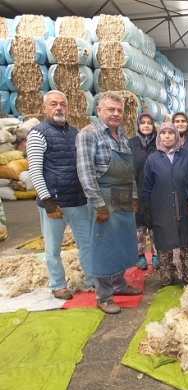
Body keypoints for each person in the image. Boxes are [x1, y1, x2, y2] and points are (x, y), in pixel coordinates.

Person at [76, 91, 142, 314]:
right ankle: (103, 296)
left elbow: (129, 170)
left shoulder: (122, 135)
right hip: (103, 196)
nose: (116, 114)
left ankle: (119, 285)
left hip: (123, 195)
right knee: (103, 246)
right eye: (111, 109)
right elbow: (85, 172)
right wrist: (98, 203)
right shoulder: (89, 134)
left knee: (123, 243)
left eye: (119, 110)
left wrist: (133, 196)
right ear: (99, 111)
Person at [27, 90, 93, 299]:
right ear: (44, 108)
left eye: (62, 104)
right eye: (53, 104)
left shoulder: (75, 133)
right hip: (54, 203)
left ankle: (93, 279)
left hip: (77, 201)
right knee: (53, 248)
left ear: (68, 108)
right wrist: (47, 201)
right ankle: (58, 284)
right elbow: (35, 170)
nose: (59, 108)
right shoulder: (38, 133)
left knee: (87, 244)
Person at [142, 122, 188, 286]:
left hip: (185, 205)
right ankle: (167, 277)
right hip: (162, 207)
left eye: (170, 133)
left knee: (187, 241)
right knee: (164, 242)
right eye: (163, 133)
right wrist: (146, 209)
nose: (167, 136)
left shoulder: (187, 155)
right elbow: (147, 186)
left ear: (177, 136)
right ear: (159, 137)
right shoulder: (152, 159)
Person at [128, 112, 158, 271]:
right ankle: (139, 256)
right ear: (138, 125)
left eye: (149, 123)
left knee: (155, 225)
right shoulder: (131, 144)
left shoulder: (159, 143)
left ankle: (156, 254)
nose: (146, 125)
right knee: (138, 227)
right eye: (143, 123)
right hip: (137, 191)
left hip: (156, 192)